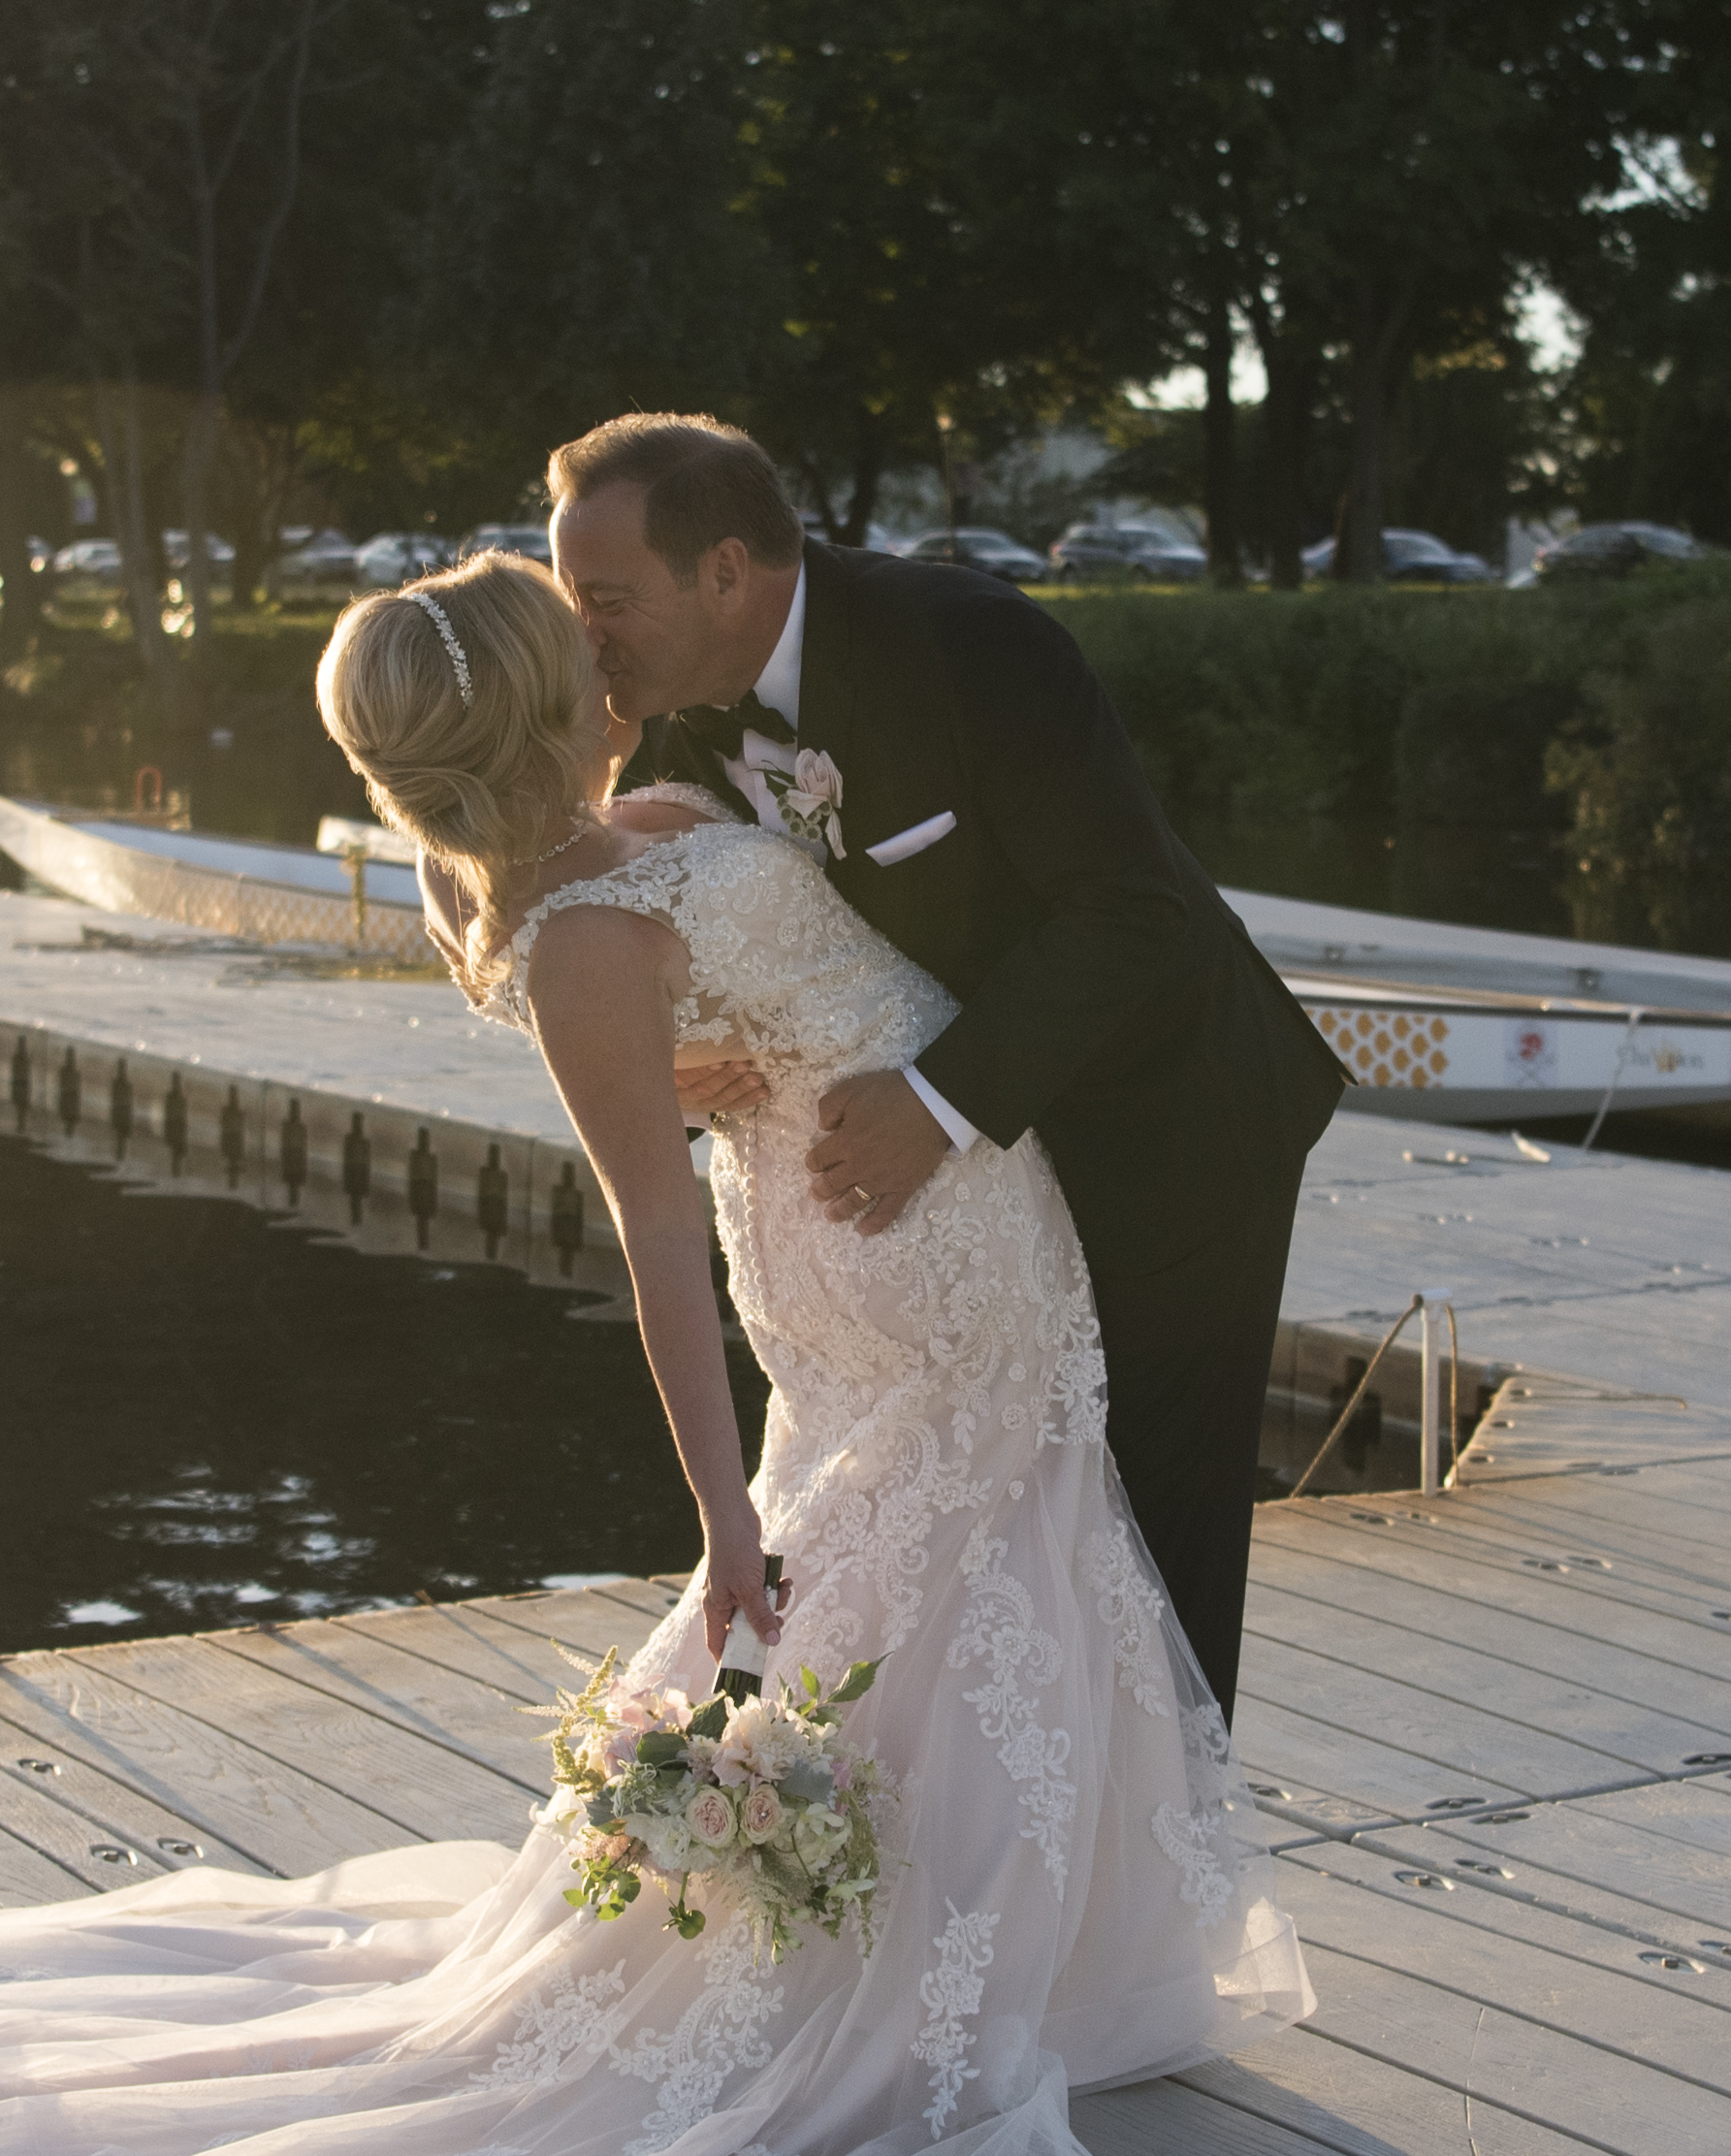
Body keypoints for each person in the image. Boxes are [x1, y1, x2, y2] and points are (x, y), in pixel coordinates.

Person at [0, 548, 1306, 2156]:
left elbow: (816, 985)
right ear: (547, 699)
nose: (610, 637)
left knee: (969, 1544)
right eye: (580, 631)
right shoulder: (578, 939)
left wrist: (787, 1064)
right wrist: (713, 1514)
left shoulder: (668, 819)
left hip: (931, 1193)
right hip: (883, 1256)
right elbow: (650, 1245)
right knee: (903, 1538)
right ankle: (914, 1974)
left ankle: (1005, 1945)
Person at [547, 410, 1347, 1718]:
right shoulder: (684, 717)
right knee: (1001, 1568)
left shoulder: (969, 643)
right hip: (964, 1215)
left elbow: (1134, 909)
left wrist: (937, 1102)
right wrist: (692, 1051)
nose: (586, 634)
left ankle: (1157, 1895)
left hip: (1163, 1130)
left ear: (728, 571)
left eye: (608, 598)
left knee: (1149, 1559)